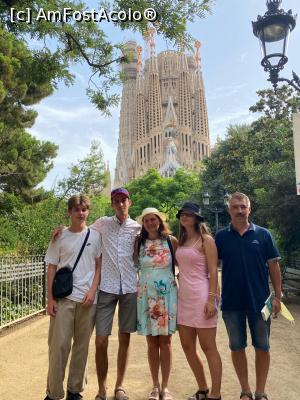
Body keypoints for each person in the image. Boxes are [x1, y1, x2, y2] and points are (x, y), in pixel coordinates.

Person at [215, 192, 282, 400]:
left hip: (260, 302)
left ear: (249, 209)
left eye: (243, 206)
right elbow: (210, 267)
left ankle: (260, 391)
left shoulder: (263, 235)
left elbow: (274, 265)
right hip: (231, 304)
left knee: (263, 347)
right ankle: (245, 390)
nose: (239, 210)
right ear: (229, 210)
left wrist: (277, 297)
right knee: (237, 347)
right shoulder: (221, 237)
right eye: (235, 207)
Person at [44, 194, 101, 400]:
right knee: (58, 346)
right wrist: (50, 299)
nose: (81, 213)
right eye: (76, 209)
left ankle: (74, 390)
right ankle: (53, 392)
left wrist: (93, 290)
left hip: (87, 300)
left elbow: (98, 265)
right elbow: (51, 268)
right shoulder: (59, 236)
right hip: (63, 299)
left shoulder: (95, 236)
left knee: (82, 347)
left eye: (84, 209)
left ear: (88, 211)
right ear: (69, 212)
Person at [90, 188, 141, 400]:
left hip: (129, 287)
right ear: (112, 204)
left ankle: (119, 386)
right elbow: (81, 231)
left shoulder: (138, 228)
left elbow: (156, 242)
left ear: (130, 202)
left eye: (123, 200)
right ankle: (102, 388)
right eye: (116, 201)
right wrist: (62, 230)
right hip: (107, 287)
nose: (120, 204)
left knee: (124, 338)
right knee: (101, 340)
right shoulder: (103, 223)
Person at [175, 202, 222, 400]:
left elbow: (213, 272)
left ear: (196, 218)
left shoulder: (206, 240)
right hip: (184, 299)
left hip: (203, 297)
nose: (184, 217)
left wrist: (212, 300)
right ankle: (202, 388)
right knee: (187, 346)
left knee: (208, 347)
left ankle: (216, 393)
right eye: (182, 214)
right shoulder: (181, 240)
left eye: (189, 214)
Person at [134, 208, 178, 400]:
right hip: (146, 295)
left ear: (159, 221)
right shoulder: (138, 243)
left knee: (166, 342)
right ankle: (155, 386)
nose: (150, 223)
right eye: (147, 221)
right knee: (152, 342)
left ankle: (166, 387)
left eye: (153, 219)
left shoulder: (171, 241)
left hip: (167, 295)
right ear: (143, 224)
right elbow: (133, 265)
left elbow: (183, 265)